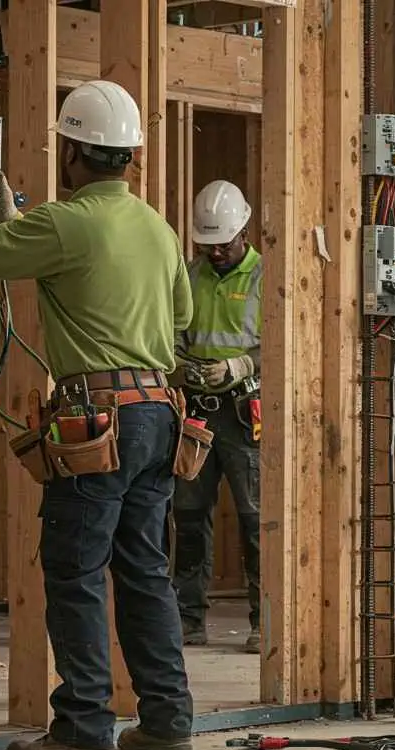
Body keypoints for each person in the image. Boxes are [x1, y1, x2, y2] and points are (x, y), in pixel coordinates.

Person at [0, 79, 197, 750]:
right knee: (144, 570)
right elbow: (183, 321)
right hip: (158, 414)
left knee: (76, 570)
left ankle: (82, 732)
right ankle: (167, 722)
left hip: (98, 421)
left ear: (74, 151)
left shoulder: (66, 223)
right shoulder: (157, 228)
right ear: (130, 155)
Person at [171, 179, 264, 655]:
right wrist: (182, 365)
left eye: (223, 244)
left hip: (244, 414)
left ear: (242, 231)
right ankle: (188, 618)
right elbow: (175, 334)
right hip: (198, 411)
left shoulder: (263, 278)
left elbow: (285, 343)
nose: (215, 253)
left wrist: (243, 363)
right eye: (207, 245)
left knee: (255, 519)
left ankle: (263, 619)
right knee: (188, 516)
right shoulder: (192, 275)